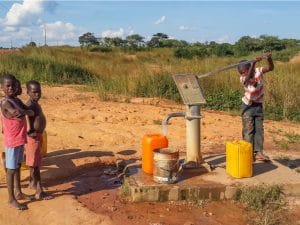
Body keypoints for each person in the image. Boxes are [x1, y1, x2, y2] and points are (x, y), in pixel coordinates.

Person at [0, 73, 34, 210]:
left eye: (13, 85)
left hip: (20, 139)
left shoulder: (16, 100)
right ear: (2, 87)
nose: (11, 88)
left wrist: (25, 112)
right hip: (12, 141)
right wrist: (24, 112)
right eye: (7, 86)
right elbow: (18, 113)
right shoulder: (5, 102)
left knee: (18, 166)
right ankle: (11, 199)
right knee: (11, 169)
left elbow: (27, 112)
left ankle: (18, 191)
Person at [237, 53, 274, 162]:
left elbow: (271, 68)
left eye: (244, 71)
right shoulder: (243, 78)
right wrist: (253, 63)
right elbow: (248, 80)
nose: (243, 73)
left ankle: (259, 153)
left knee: (259, 130)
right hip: (247, 106)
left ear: (248, 68)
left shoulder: (258, 71)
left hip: (258, 105)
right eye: (241, 72)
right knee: (248, 131)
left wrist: (269, 59)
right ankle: (248, 154)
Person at [25, 80, 52, 200]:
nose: (37, 94)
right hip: (33, 138)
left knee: (34, 162)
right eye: (34, 92)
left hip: (38, 136)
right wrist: (30, 129)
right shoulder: (30, 104)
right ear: (28, 92)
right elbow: (25, 115)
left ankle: (32, 182)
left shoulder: (35, 103)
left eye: (39, 92)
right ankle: (39, 190)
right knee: (35, 165)